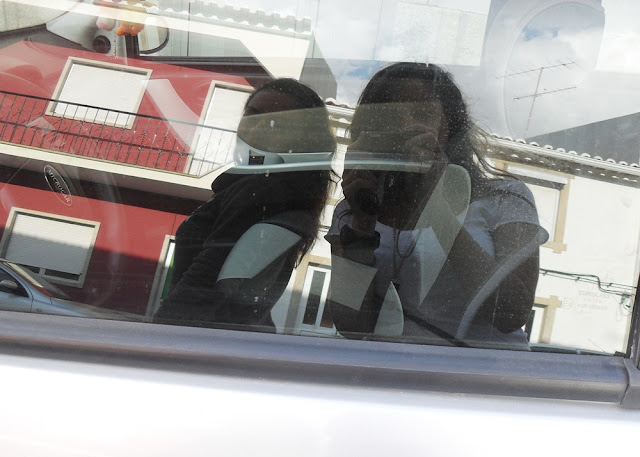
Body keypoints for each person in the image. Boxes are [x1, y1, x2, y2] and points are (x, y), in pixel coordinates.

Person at [326, 62, 548, 349]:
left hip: (482, 372)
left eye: (422, 114)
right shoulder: (354, 208)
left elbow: (511, 313)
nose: (406, 126)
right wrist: (362, 221)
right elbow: (350, 325)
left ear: (449, 127)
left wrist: (436, 208)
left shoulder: (505, 198)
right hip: (394, 370)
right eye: (389, 116)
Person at [154, 78, 336, 331]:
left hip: (202, 338)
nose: (259, 127)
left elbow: (202, 283)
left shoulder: (262, 190)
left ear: (303, 140)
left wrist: (156, 337)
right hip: (231, 339)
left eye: (277, 123)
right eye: (252, 115)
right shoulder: (281, 191)